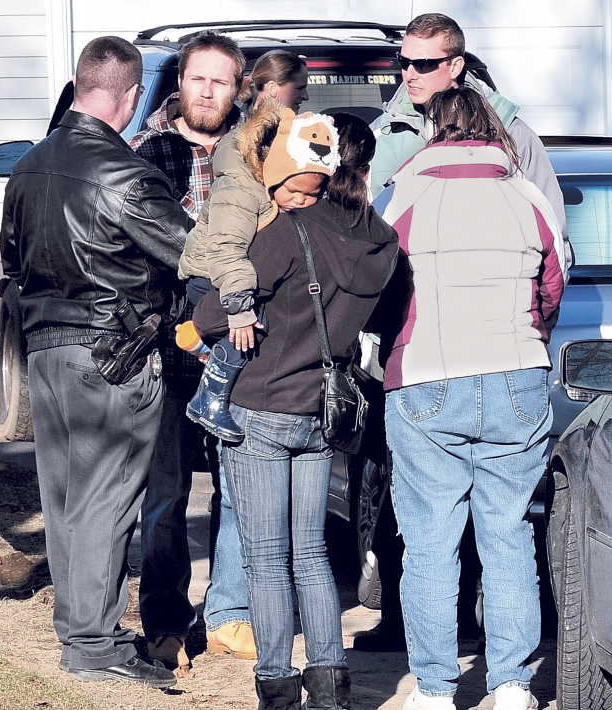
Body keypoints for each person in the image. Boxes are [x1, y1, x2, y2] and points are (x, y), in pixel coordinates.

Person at [359, 10, 569, 655]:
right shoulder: (388, 129)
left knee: (441, 536)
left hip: (423, 364)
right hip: (502, 367)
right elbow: (552, 267)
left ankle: (438, 680)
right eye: (405, 61)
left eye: (424, 64)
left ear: (456, 65)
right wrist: (527, 326)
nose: (409, 74)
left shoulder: (503, 146)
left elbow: (374, 269)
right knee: (493, 531)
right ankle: (501, 679)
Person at [0, 36, 189, 688]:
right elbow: (188, 257)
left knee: (66, 501)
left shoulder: (27, 169)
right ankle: (94, 644)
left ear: (81, 86)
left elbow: (12, 263)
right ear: (131, 96)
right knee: (107, 502)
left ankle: (83, 636)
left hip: (47, 352)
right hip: (114, 355)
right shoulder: (130, 176)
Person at [193, 112, 399, 710]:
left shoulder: (290, 229)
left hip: (261, 405)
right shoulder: (382, 241)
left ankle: (279, 685)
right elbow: (383, 319)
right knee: (311, 554)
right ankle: (330, 683)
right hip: (322, 411)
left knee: (266, 557)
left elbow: (212, 317)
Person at [128, 31, 253, 668]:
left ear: (239, 88)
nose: (207, 90)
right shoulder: (148, 155)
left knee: (243, 491)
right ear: (179, 83)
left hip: (244, 350)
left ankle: (231, 613)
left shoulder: (258, 153)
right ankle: (164, 623)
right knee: (167, 496)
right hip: (171, 351)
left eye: (220, 80)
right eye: (197, 78)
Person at [178, 50, 325, 443]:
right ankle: (209, 396)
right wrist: (239, 311)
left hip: (227, 273)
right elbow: (227, 249)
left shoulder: (261, 177)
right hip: (210, 276)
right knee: (248, 331)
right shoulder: (242, 186)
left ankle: (203, 348)